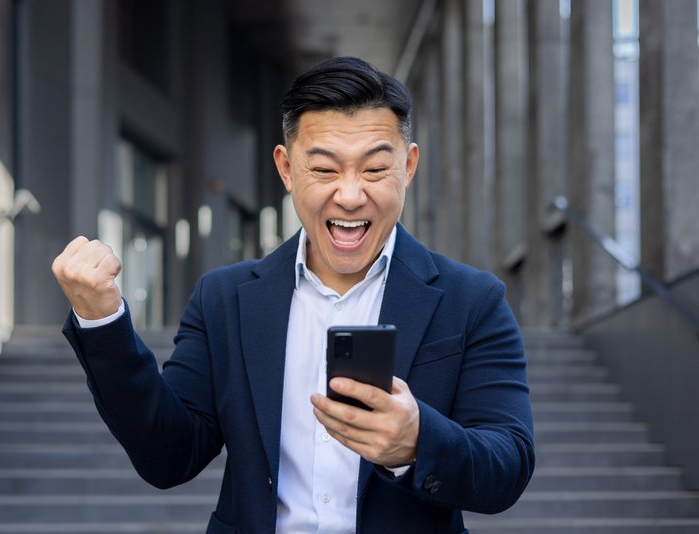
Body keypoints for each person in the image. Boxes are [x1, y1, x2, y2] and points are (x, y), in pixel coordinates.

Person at [52, 56, 534, 534]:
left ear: (407, 167)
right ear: (286, 169)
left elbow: (508, 464)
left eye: (374, 169)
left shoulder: (471, 300)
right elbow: (168, 457)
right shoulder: (225, 298)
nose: (349, 195)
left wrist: (417, 442)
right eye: (324, 170)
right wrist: (103, 321)